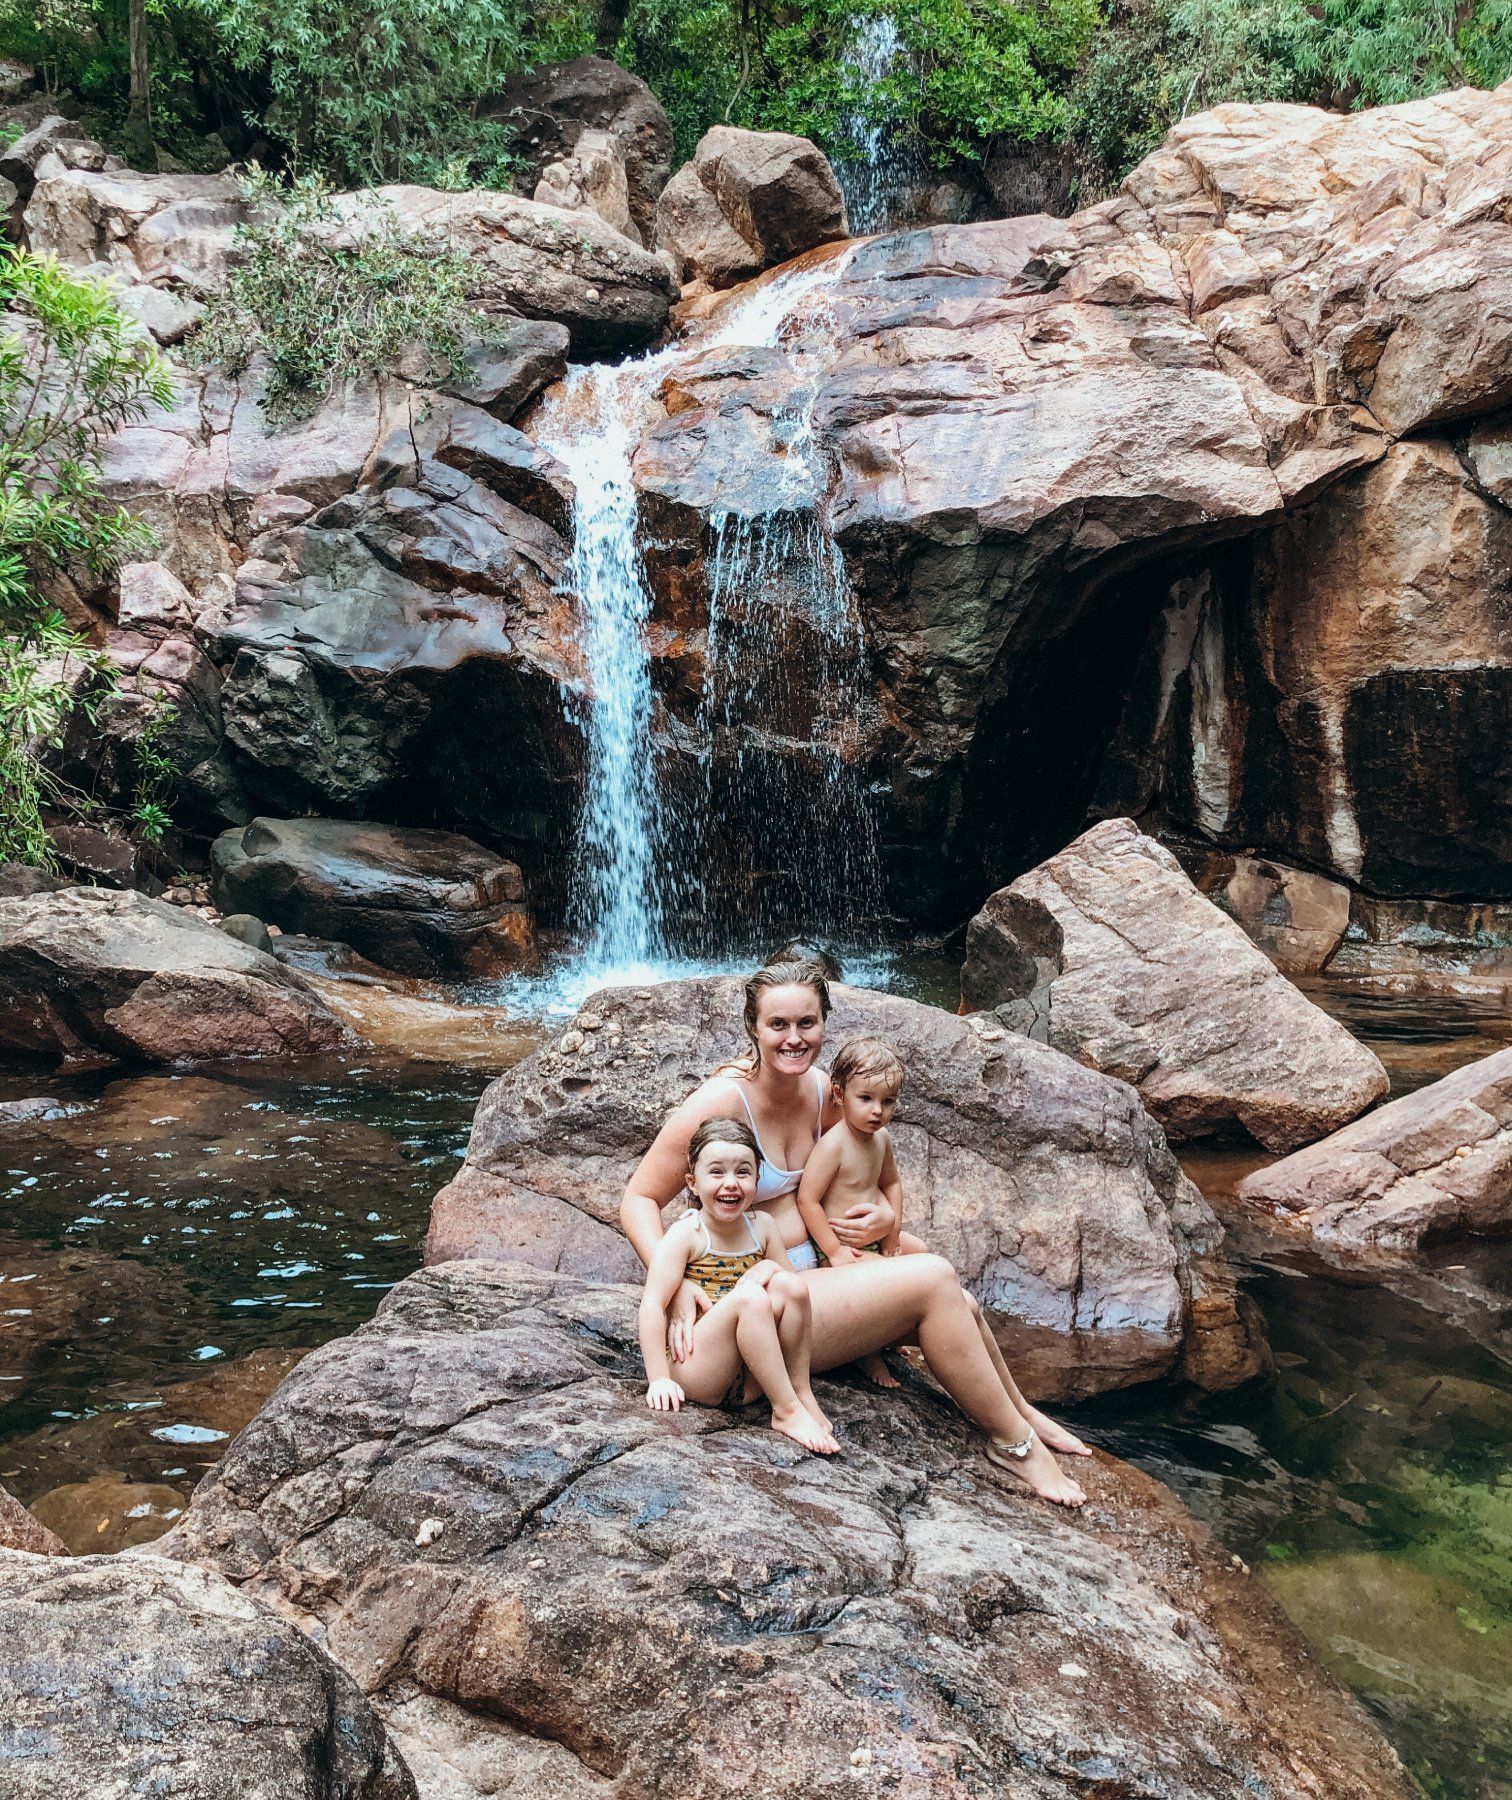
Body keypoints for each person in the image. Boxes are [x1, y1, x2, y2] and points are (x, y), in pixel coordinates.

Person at [620, 958, 1088, 1507]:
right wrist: (673, 1286)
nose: (794, 1038)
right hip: (765, 1302)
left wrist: (887, 1220)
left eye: (807, 1023)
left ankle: (1019, 1412)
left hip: (813, 1270)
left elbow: (849, 1180)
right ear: (753, 1027)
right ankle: (1016, 1445)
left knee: (958, 1299)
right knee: (934, 1279)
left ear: (824, 1023)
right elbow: (638, 1199)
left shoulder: (824, 1093)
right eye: (778, 1025)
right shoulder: (723, 1102)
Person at [639, 1116, 839, 1455]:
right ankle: (787, 1412)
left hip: (752, 1377)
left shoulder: (763, 1226)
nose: (730, 1183)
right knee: (750, 1299)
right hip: (700, 1370)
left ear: (757, 1180)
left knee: (792, 1288)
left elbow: (789, 1284)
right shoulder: (688, 1234)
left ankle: (798, 1390)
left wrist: (768, 1266)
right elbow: (653, 1304)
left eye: (743, 1172)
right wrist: (658, 1377)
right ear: (692, 1181)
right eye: (716, 1172)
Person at [795, 1033, 906, 1388]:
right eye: (866, 1098)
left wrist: (893, 1233)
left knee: (919, 1259)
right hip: (837, 1250)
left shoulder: (882, 1140)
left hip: (870, 1240)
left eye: (888, 1102)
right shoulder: (833, 1146)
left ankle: (889, 1335)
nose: (877, 1110)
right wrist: (835, 1251)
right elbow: (807, 1200)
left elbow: (892, 1184)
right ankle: (867, 1352)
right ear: (840, 1096)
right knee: (900, 1281)